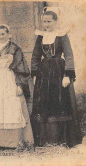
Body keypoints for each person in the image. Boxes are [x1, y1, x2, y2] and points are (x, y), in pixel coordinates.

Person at [31, 9, 82, 147]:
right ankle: (46, 139)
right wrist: (35, 74)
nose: (46, 25)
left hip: (59, 71)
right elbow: (35, 56)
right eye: (44, 22)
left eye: (49, 22)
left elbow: (69, 55)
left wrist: (67, 75)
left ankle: (62, 138)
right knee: (44, 101)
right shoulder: (40, 36)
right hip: (44, 73)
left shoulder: (62, 35)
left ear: (55, 21)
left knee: (60, 100)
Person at [0, 24, 34, 150]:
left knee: (12, 107)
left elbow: (21, 67)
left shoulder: (15, 48)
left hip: (11, 79)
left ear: (8, 34)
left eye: (3, 34)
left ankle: (14, 141)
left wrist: (19, 85)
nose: (1, 36)